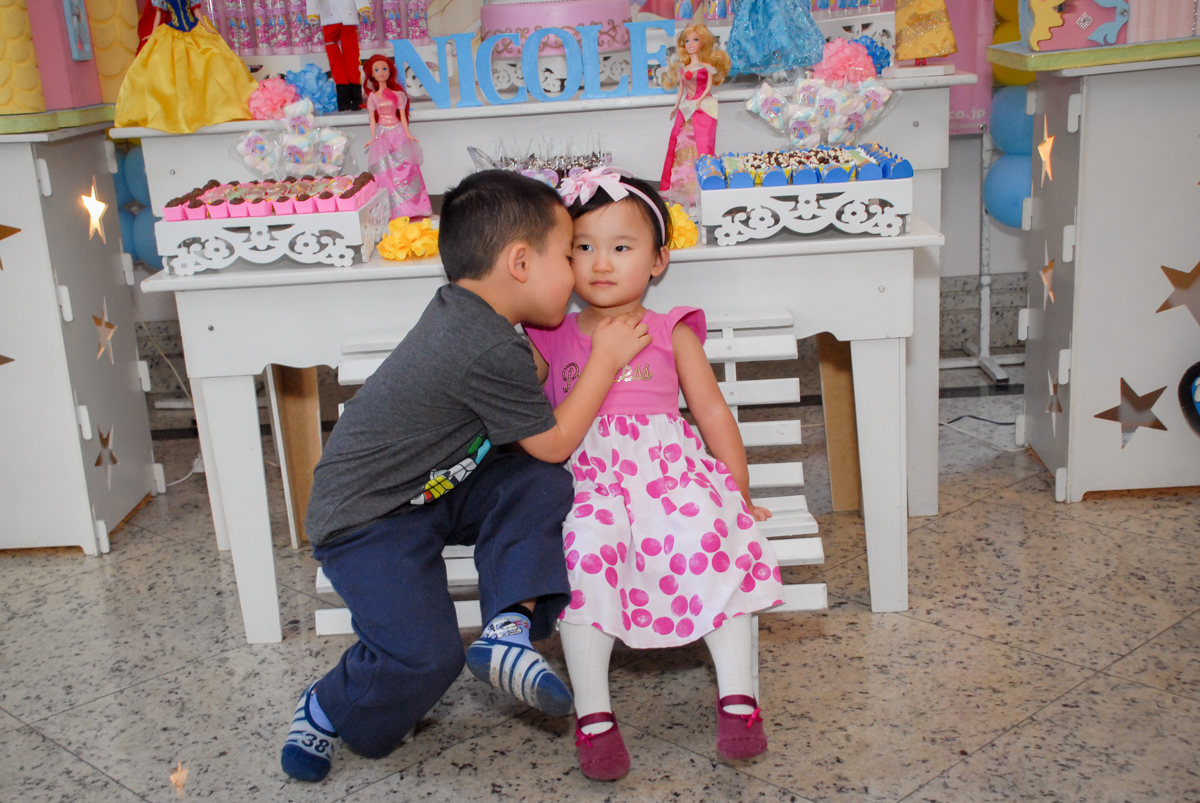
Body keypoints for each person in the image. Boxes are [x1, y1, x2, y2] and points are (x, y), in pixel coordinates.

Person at [280, 170, 653, 783]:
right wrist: (606, 361)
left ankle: (507, 628)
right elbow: (557, 441)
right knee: (427, 658)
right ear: (520, 263)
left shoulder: (475, 317)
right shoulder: (479, 342)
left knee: (537, 483)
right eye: (567, 255)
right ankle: (324, 707)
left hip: (436, 490)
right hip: (367, 521)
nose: (578, 274)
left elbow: (524, 411)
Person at [525, 169, 785, 780]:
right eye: (582, 248)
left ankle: (739, 700)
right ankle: (594, 718)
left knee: (710, 537)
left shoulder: (671, 332)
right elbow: (518, 404)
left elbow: (712, 411)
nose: (601, 263)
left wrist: (737, 491)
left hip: (669, 476)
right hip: (588, 480)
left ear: (658, 259)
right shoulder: (552, 334)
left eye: (621, 247)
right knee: (584, 551)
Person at [115, 0, 257, 134]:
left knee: (211, 63)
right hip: (173, 32)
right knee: (173, 70)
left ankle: (219, 107)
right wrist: (152, 34)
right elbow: (158, 15)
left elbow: (197, 12)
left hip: (195, 29)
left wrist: (206, 27)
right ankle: (183, 114)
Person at [659, 24, 730, 208]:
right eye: (688, 40)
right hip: (687, 106)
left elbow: (707, 86)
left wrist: (701, 99)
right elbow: (681, 89)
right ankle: (680, 188)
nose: (691, 44)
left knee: (702, 145)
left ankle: (702, 187)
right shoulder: (683, 68)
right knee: (679, 142)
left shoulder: (706, 67)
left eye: (695, 39)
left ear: (703, 43)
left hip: (703, 107)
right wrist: (676, 106)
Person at [362, 54, 432, 220]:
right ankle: (391, 210)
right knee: (385, 172)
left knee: (407, 168)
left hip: (398, 132)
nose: (381, 72)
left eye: (384, 69)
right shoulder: (372, 97)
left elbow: (402, 116)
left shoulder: (398, 94)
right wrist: (372, 138)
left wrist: (408, 134)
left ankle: (415, 207)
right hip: (382, 135)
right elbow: (372, 118)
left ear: (390, 71)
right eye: (377, 69)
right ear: (372, 74)